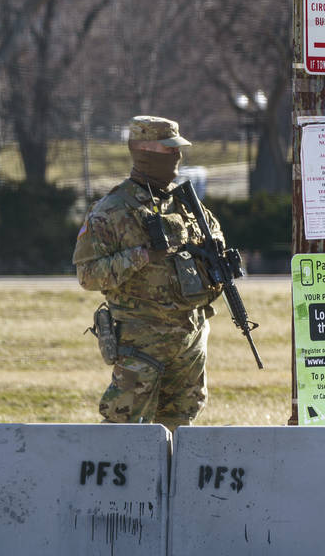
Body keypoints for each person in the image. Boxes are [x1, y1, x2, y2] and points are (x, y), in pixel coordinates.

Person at [73, 115, 227, 431]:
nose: (177, 157)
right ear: (144, 151)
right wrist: (143, 255)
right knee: (123, 428)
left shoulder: (187, 205)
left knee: (180, 426)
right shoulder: (113, 210)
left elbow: (214, 243)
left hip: (189, 338)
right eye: (169, 150)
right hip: (141, 343)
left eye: (178, 150)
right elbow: (88, 275)